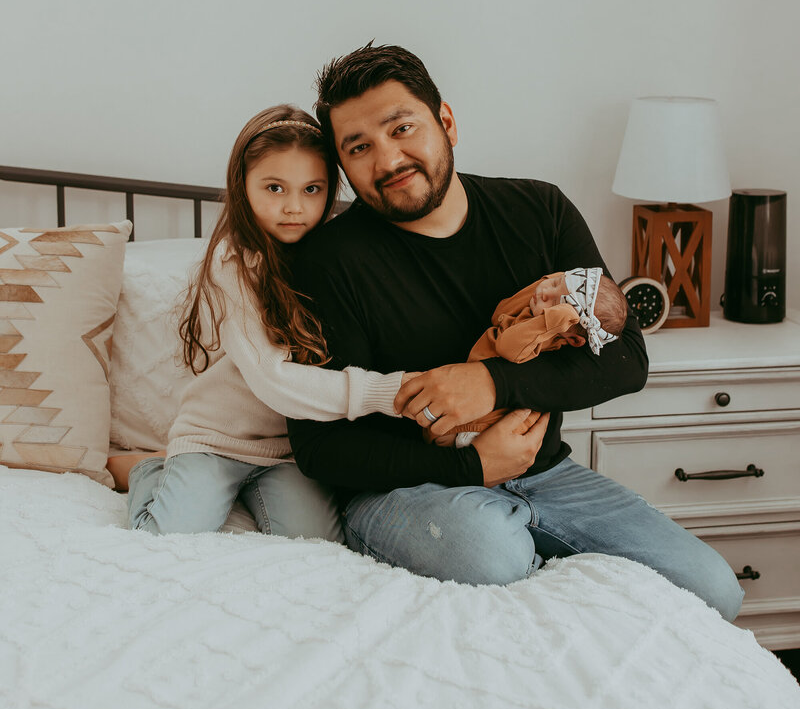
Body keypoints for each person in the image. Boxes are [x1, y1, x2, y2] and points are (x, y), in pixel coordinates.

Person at [285, 44, 744, 621]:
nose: (388, 159)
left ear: (446, 122)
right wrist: (471, 469)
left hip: (547, 475)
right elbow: (318, 447)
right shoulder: (326, 261)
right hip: (406, 490)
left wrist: (492, 385)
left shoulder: (539, 211)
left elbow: (626, 359)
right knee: (492, 555)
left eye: (403, 128)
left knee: (714, 589)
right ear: (343, 167)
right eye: (359, 147)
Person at [126, 104, 405, 540]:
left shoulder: (334, 257)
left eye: (312, 189)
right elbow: (272, 379)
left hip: (290, 451)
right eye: (274, 188)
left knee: (316, 543)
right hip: (217, 438)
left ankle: (228, 490)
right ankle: (147, 468)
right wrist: (389, 392)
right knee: (167, 537)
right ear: (243, 187)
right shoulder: (233, 262)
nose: (294, 207)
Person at [443, 267, 628, 448]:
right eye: (554, 282)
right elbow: (501, 311)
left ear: (572, 338)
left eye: (555, 303)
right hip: (469, 395)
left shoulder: (544, 337)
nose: (545, 292)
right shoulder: (533, 311)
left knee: (443, 435)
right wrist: (559, 281)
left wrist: (552, 320)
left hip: (484, 424)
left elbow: (505, 346)